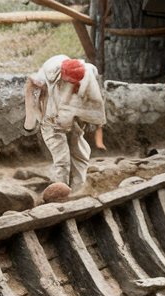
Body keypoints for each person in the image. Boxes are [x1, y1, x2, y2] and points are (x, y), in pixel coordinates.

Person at [25, 55, 107, 196]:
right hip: (51, 119)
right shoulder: (46, 76)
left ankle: (77, 191)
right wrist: (30, 120)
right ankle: (59, 194)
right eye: (72, 84)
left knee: (79, 154)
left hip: (73, 118)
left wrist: (87, 120)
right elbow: (30, 84)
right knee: (62, 160)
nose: (75, 87)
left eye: (77, 85)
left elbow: (97, 101)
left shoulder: (88, 72)